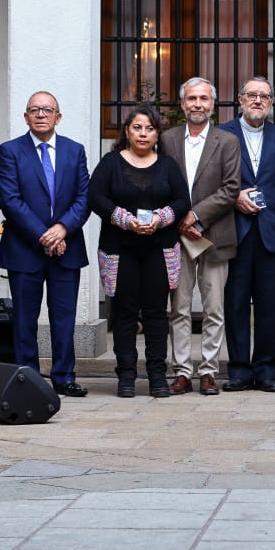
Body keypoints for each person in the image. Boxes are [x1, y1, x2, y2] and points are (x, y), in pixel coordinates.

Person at [88, 105, 190, 398]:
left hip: (159, 249)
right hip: (120, 249)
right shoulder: (110, 163)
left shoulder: (168, 165)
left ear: (157, 133)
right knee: (124, 314)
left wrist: (162, 218)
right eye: (137, 128)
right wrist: (124, 219)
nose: (143, 134)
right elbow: (96, 197)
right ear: (127, 131)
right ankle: (127, 377)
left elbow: (183, 200)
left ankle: (158, 376)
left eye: (149, 128)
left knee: (157, 313)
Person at [0, 91, 92, 398]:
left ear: (58, 117)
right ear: (25, 117)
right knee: (25, 319)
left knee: (64, 318)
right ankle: (28, 379)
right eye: (34, 110)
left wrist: (62, 229)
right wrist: (44, 235)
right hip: (25, 249)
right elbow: (10, 200)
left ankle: (64, 377)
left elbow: (83, 197)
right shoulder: (10, 151)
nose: (40, 114)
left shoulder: (74, 151)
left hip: (67, 247)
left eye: (47, 110)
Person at [160, 77, 241, 397]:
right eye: (192, 98)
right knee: (178, 308)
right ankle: (181, 371)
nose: (198, 104)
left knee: (214, 308)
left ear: (213, 104)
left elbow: (231, 188)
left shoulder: (228, 141)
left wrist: (197, 216)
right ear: (182, 104)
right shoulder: (167, 139)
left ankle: (208, 371)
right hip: (177, 236)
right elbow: (161, 184)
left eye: (204, 99)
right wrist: (181, 218)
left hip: (215, 235)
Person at [219, 76, 275, 393]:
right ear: (240, 99)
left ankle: (265, 370)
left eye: (265, 96)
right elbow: (213, 180)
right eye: (252, 95)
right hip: (234, 230)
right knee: (234, 303)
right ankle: (238, 370)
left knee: (268, 305)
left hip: (271, 232)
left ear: (271, 102)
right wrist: (235, 197)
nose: (258, 101)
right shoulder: (222, 134)